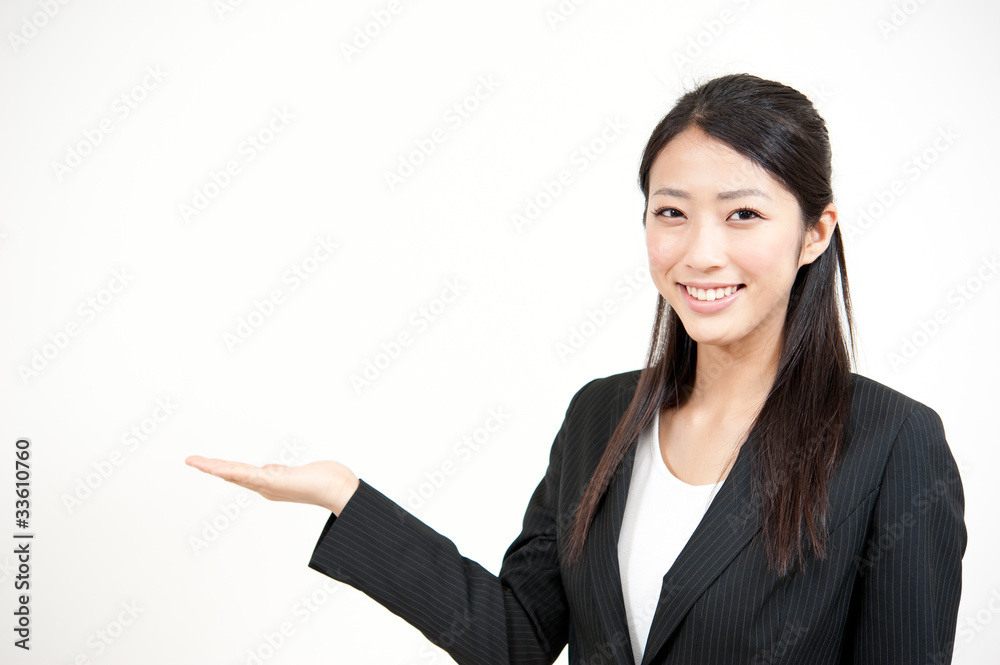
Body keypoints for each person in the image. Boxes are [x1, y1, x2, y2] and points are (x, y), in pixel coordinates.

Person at [186, 72, 967, 664]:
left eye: (743, 214)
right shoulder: (601, 416)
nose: (700, 251)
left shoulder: (892, 442)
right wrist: (347, 497)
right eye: (672, 212)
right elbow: (519, 638)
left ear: (814, 232)